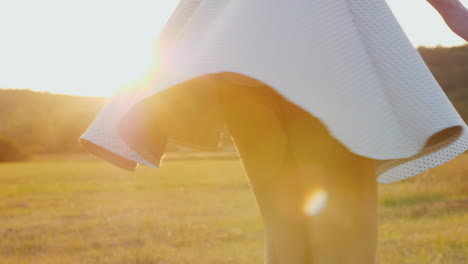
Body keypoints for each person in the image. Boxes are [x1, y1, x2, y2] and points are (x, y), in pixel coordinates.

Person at [80, 1, 468, 263]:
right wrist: (449, 7)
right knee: (342, 226)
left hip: (238, 35)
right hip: (320, 28)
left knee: (286, 229)